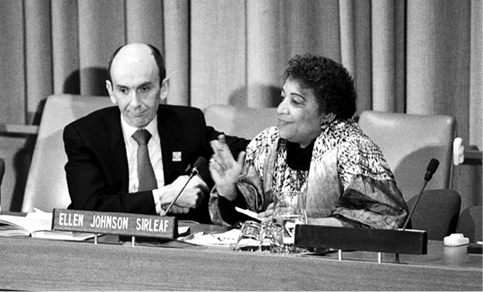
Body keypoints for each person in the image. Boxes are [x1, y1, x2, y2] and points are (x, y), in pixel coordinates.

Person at [208, 54, 408, 229]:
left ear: (328, 114)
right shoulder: (266, 143)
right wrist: (229, 193)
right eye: (283, 97)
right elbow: (246, 214)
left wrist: (307, 224)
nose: (281, 109)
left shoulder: (353, 149)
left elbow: (384, 219)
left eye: (296, 102)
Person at [63, 43, 248, 223]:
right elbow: (88, 208)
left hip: (177, 248)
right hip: (110, 246)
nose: (135, 103)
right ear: (111, 91)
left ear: (163, 88)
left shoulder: (187, 124)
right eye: (123, 90)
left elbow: (241, 149)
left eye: (144, 89)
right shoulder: (85, 135)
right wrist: (163, 197)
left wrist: (202, 180)